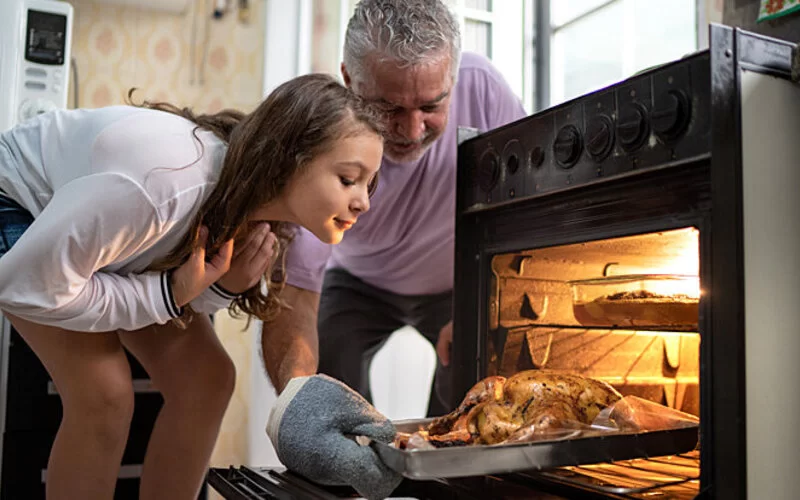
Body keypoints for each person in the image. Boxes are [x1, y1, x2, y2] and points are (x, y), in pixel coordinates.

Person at [0, 73, 387, 500]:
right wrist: (167, 292)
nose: (363, 202)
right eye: (349, 179)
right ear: (290, 159)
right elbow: (26, 286)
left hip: (101, 245)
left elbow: (177, 293)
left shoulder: (247, 207)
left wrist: (221, 289)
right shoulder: (164, 185)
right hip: (20, 204)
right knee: (105, 394)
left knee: (209, 379)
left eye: (369, 184)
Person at [262, 0, 527, 428]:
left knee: (476, 368)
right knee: (328, 367)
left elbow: (527, 213)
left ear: (454, 80)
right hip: (358, 281)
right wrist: (301, 406)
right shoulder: (319, 137)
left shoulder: (483, 87)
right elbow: (295, 296)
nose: (411, 130)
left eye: (431, 106)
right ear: (349, 79)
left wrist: (494, 302)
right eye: (390, 109)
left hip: (460, 278)